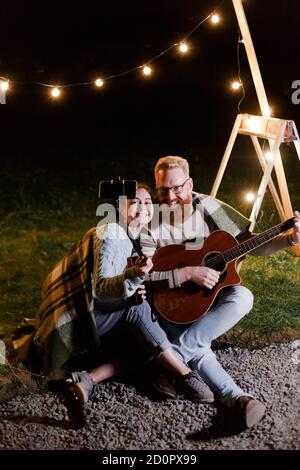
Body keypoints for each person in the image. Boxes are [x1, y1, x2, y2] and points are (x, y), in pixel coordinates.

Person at [13, 183, 214, 406]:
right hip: (75, 321)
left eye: (147, 202)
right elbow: (101, 289)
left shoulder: (139, 238)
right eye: (134, 202)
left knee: (146, 336)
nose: (143, 207)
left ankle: (87, 379)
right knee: (137, 308)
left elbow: (143, 278)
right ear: (119, 207)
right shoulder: (112, 232)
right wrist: (135, 275)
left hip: (92, 317)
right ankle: (185, 374)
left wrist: (182, 274)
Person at [139, 156, 300, 428]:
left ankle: (171, 360)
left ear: (189, 184)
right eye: (163, 189)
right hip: (170, 305)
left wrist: (289, 240)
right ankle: (239, 398)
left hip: (206, 302)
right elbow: (143, 277)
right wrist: (187, 274)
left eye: (177, 188)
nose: (170, 196)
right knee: (200, 347)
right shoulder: (147, 218)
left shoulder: (209, 207)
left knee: (243, 297)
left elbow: (248, 245)